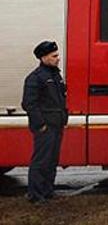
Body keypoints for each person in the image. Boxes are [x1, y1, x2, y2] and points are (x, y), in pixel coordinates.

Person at [21, 41, 68, 204]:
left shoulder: (55, 76)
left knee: (52, 160)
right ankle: (35, 195)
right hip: (45, 127)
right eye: (54, 56)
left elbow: (60, 98)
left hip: (56, 124)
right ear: (43, 58)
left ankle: (47, 191)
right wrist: (41, 124)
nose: (58, 59)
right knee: (41, 161)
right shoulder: (36, 78)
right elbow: (29, 103)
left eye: (57, 55)